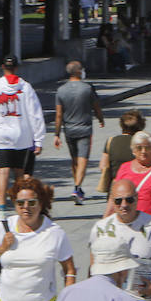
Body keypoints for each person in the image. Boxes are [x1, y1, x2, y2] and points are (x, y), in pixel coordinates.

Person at [0, 55, 45, 219]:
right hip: (21, 135)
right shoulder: (26, 88)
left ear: (2, 67)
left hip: (0, 136)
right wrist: (39, 138)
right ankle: (20, 206)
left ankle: (1, 209)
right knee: (20, 174)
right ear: (17, 67)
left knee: (3, 172)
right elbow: (36, 114)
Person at [53, 61, 105, 205]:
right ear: (78, 72)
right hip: (85, 129)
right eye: (81, 69)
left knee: (75, 160)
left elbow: (58, 114)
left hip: (68, 130)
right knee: (83, 159)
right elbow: (96, 107)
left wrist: (56, 134)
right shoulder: (88, 88)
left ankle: (77, 187)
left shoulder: (61, 90)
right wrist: (101, 119)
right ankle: (77, 188)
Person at [111, 132, 151, 231]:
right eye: (139, 148)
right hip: (128, 225)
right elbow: (113, 198)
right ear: (133, 150)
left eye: (147, 148)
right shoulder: (124, 168)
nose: (143, 151)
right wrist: (106, 219)